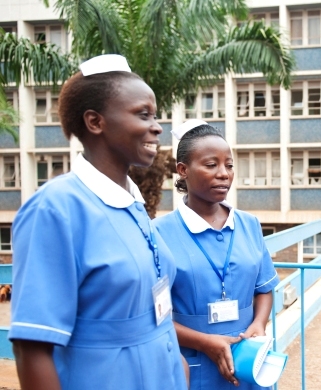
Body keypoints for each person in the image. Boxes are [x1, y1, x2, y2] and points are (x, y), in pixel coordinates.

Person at [8, 55, 186, 389]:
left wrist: (176, 367)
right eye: (143, 114)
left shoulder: (132, 202)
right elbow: (33, 346)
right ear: (95, 122)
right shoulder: (55, 210)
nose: (157, 126)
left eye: (156, 114)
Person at [153, 120, 279, 390]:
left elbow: (264, 289)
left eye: (229, 165)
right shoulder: (159, 233)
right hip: (193, 365)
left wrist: (259, 324)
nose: (224, 174)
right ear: (183, 170)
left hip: (249, 362)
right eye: (211, 165)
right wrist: (206, 343)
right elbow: (153, 316)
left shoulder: (249, 224)